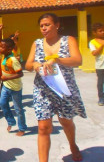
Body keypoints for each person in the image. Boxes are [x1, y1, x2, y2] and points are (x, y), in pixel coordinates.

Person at [25, 13, 86, 162]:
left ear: (57, 25)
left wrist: (57, 60)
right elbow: (27, 64)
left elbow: (78, 60)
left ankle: (72, 145)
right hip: (42, 90)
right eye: (41, 26)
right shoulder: (37, 43)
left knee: (66, 121)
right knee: (43, 128)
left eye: (47, 25)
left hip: (64, 89)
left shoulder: (68, 40)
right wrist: (35, 65)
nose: (44, 28)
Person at [0, 38, 27, 136]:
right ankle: (11, 121)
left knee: (18, 109)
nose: (0, 48)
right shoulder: (4, 56)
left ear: (9, 49)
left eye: (2, 47)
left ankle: (22, 128)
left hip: (15, 88)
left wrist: (7, 78)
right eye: (0, 46)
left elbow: (20, 74)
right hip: (6, 87)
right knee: (2, 103)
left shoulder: (13, 60)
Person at [89, 22, 104, 106]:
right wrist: (101, 46)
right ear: (95, 32)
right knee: (100, 82)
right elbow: (94, 53)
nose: (103, 32)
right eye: (100, 31)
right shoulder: (92, 42)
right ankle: (101, 98)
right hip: (100, 66)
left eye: (103, 30)